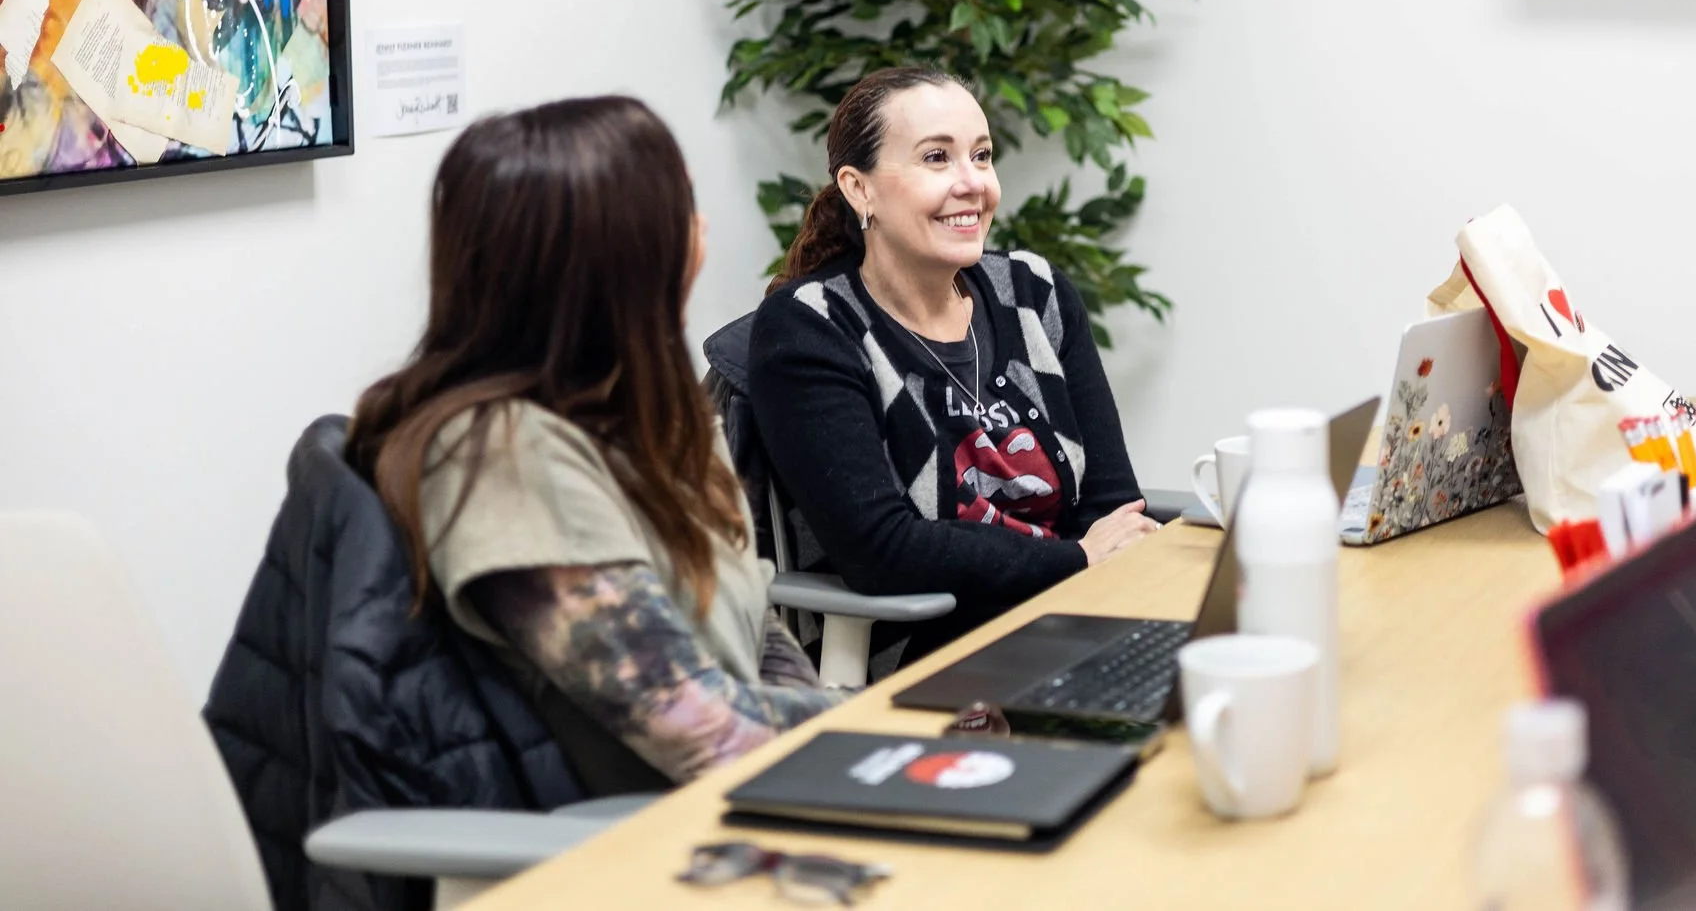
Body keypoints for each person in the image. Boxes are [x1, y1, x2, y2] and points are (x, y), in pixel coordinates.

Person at [346, 96, 838, 796]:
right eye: (684, 205)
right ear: (628, 253)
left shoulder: (656, 416)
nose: (701, 228)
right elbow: (699, 730)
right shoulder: (503, 453)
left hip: (754, 795)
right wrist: (880, 731)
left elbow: (758, 637)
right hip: (646, 841)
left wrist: (867, 735)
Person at [748, 68, 1158, 659]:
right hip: (928, 656)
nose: (973, 183)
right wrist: (1076, 557)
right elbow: (883, 552)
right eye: (937, 158)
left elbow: (1112, 503)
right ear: (858, 188)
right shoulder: (812, 326)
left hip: (1080, 624)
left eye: (982, 155)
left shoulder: (1032, 293)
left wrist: (1089, 576)